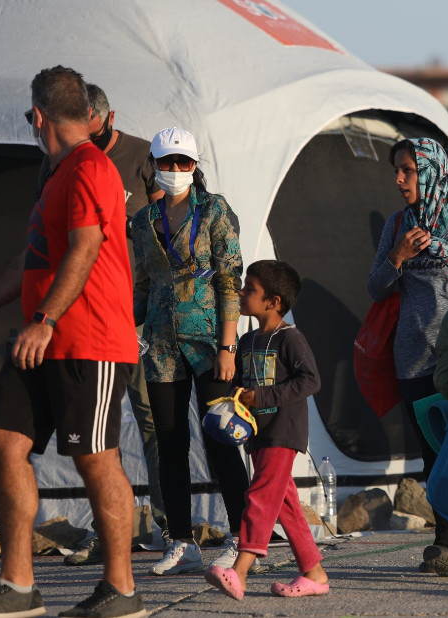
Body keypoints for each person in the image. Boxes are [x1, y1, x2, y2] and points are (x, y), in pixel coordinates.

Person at [0, 65, 144, 618]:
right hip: (42, 340)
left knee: (94, 459)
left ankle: (121, 590)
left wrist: (45, 319)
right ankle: (17, 585)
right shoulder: (55, 175)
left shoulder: (90, 168)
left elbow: (85, 246)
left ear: (38, 117)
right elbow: (28, 261)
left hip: (88, 342)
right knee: (3, 444)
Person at [56, 83, 167, 567]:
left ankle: (169, 525)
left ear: (109, 119)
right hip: (85, 311)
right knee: (98, 428)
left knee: (150, 417)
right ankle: (106, 532)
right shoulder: (63, 158)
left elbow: (168, 223)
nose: (87, 137)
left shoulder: (141, 156)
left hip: (135, 312)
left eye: (94, 129)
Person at [367, 137, 448, 576]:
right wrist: (397, 256)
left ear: (432, 172)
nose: (400, 179)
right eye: (397, 171)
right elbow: (376, 288)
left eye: (409, 170)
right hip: (412, 358)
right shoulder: (397, 224)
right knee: (432, 453)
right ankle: (447, 543)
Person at [132, 126, 250, 575]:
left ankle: (241, 538)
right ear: (154, 165)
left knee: (220, 435)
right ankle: (181, 540)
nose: (176, 169)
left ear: (195, 165)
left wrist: (228, 345)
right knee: (169, 441)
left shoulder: (215, 210)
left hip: (209, 340)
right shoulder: (143, 221)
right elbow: (144, 284)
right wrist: (125, 325)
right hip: (161, 344)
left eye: (183, 162)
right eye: (167, 162)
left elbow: (229, 279)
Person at [204, 260, 327, 600]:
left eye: (250, 289)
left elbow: (310, 380)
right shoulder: (247, 340)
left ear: (273, 301)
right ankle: (314, 573)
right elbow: (245, 384)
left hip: (283, 432)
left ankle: (240, 572)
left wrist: (263, 396)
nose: (242, 293)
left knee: (259, 496)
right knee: (285, 504)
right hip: (258, 434)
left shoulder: (291, 338)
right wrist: (235, 401)